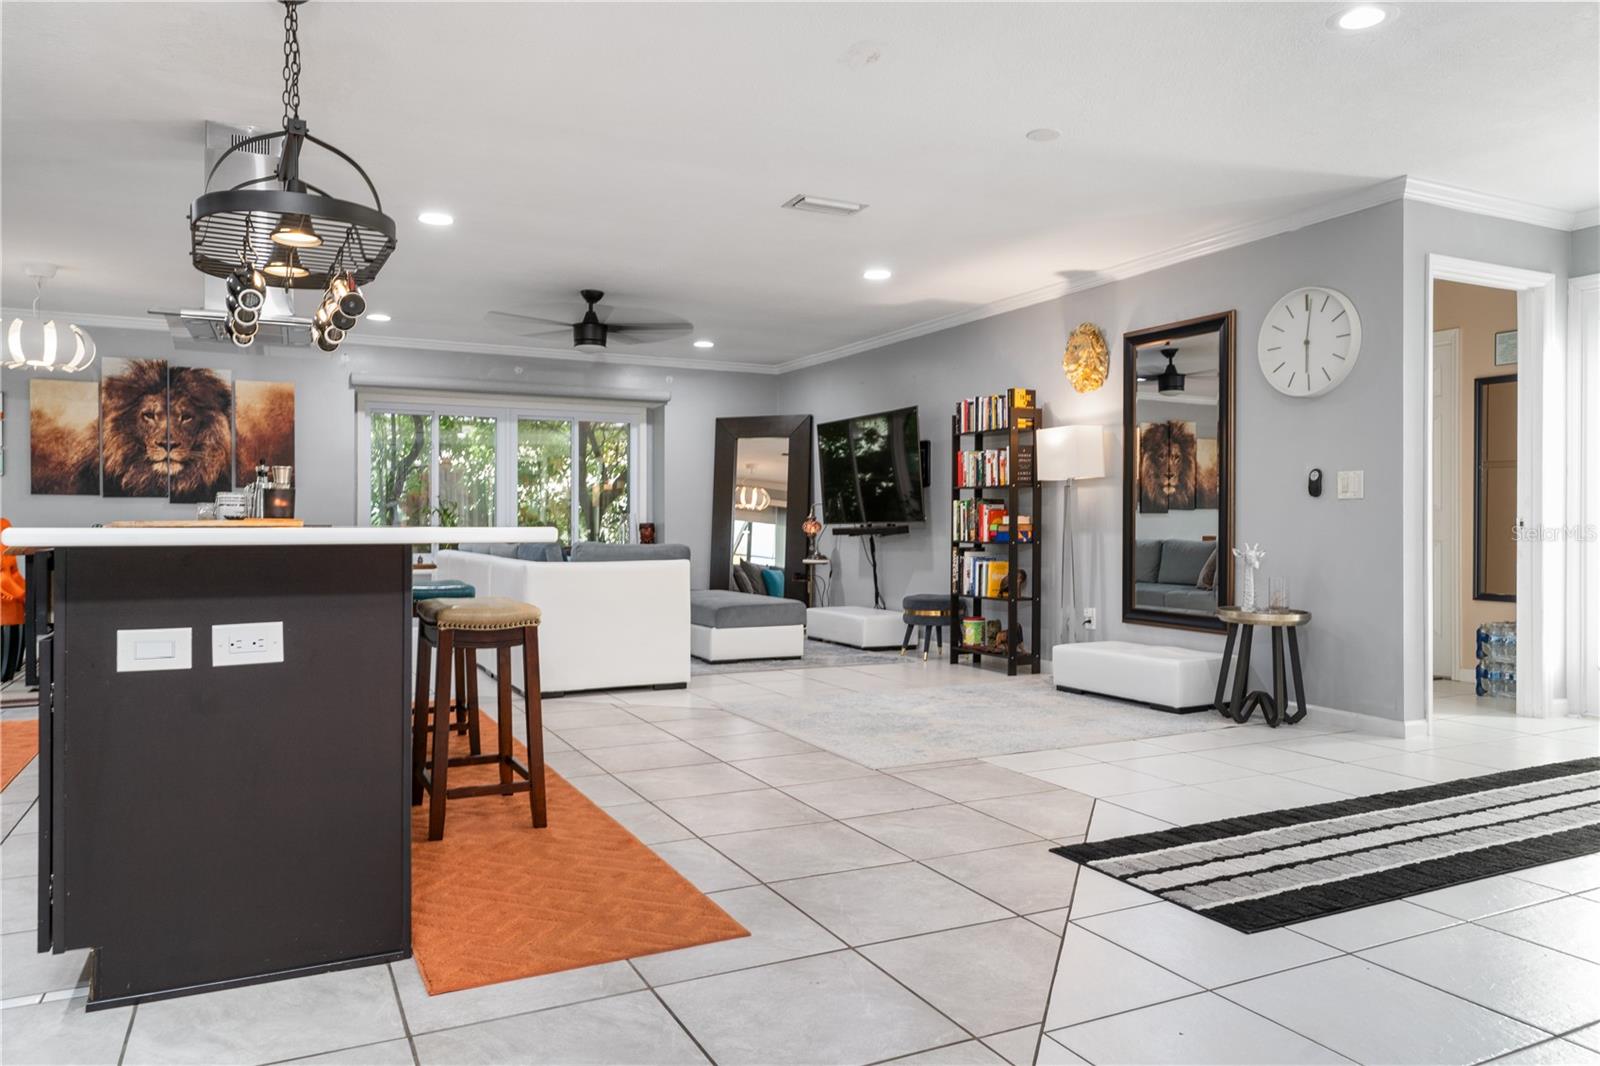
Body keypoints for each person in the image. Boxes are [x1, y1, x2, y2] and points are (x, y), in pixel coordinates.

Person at [0, 519, 25, 682]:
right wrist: (21, 593)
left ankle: (12, 668)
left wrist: (23, 592)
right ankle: (6, 672)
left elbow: (11, 572)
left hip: (10, 591)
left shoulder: (4, 524)